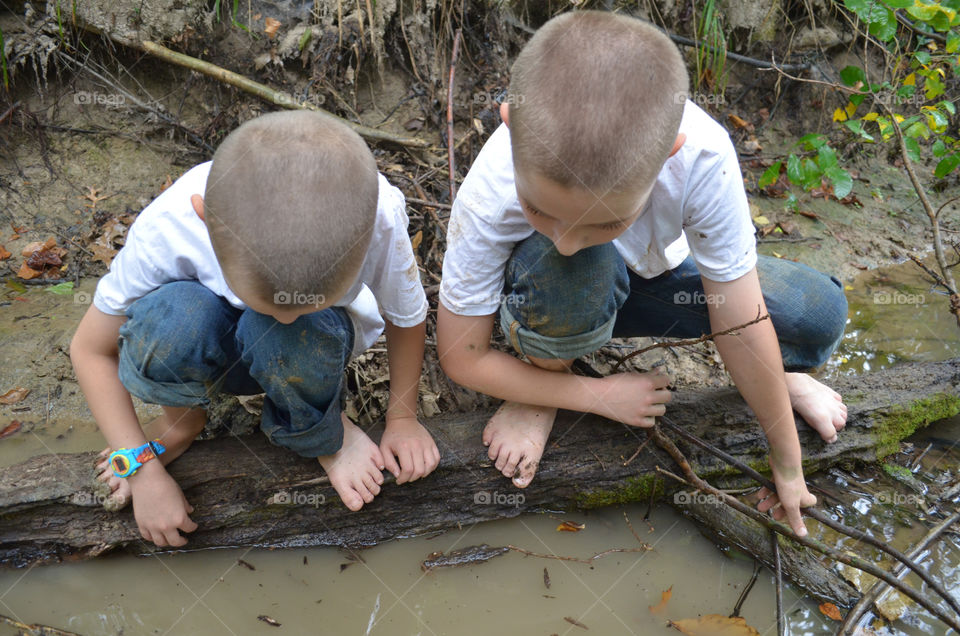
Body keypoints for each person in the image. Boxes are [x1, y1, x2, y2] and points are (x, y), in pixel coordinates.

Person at [436, 11, 848, 537]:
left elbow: (739, 319)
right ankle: (544, 379)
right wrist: (596, 397)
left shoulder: (702, 154)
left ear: (669, 156)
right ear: (509, 123)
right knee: (571, 263)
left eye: (605, 221)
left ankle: (776, 378)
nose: (564, 235)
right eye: (541, 211)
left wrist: (787, 462)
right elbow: (460, 355)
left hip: (652, 279)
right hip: (551, 295)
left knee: (820, 313)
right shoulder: (492, 190)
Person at [70, 110, 439, 548]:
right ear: (205, 220)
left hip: (316, 346)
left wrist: (403, 418)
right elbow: (90, 350)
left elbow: (406, 316)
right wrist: (141, 468)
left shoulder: (378, 214)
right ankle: (182, 423)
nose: (282, 316)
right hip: (213, 336)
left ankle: (322, 431)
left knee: (293, 334)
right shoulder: (170, 227)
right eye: (269, 302)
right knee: (173, 321)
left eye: (311, 300)